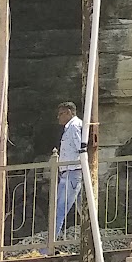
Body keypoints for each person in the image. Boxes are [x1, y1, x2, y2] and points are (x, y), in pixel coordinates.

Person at [52, 101, 84, 242]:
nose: (58, 117)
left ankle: (50, 245)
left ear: (69, 112)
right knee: (83, 209)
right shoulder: (70, 127)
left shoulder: (74, 126)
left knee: (59, 209)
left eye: (61, 114)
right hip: (71, 172)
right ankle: (93, 238)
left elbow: (81, 148)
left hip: (72, 172)